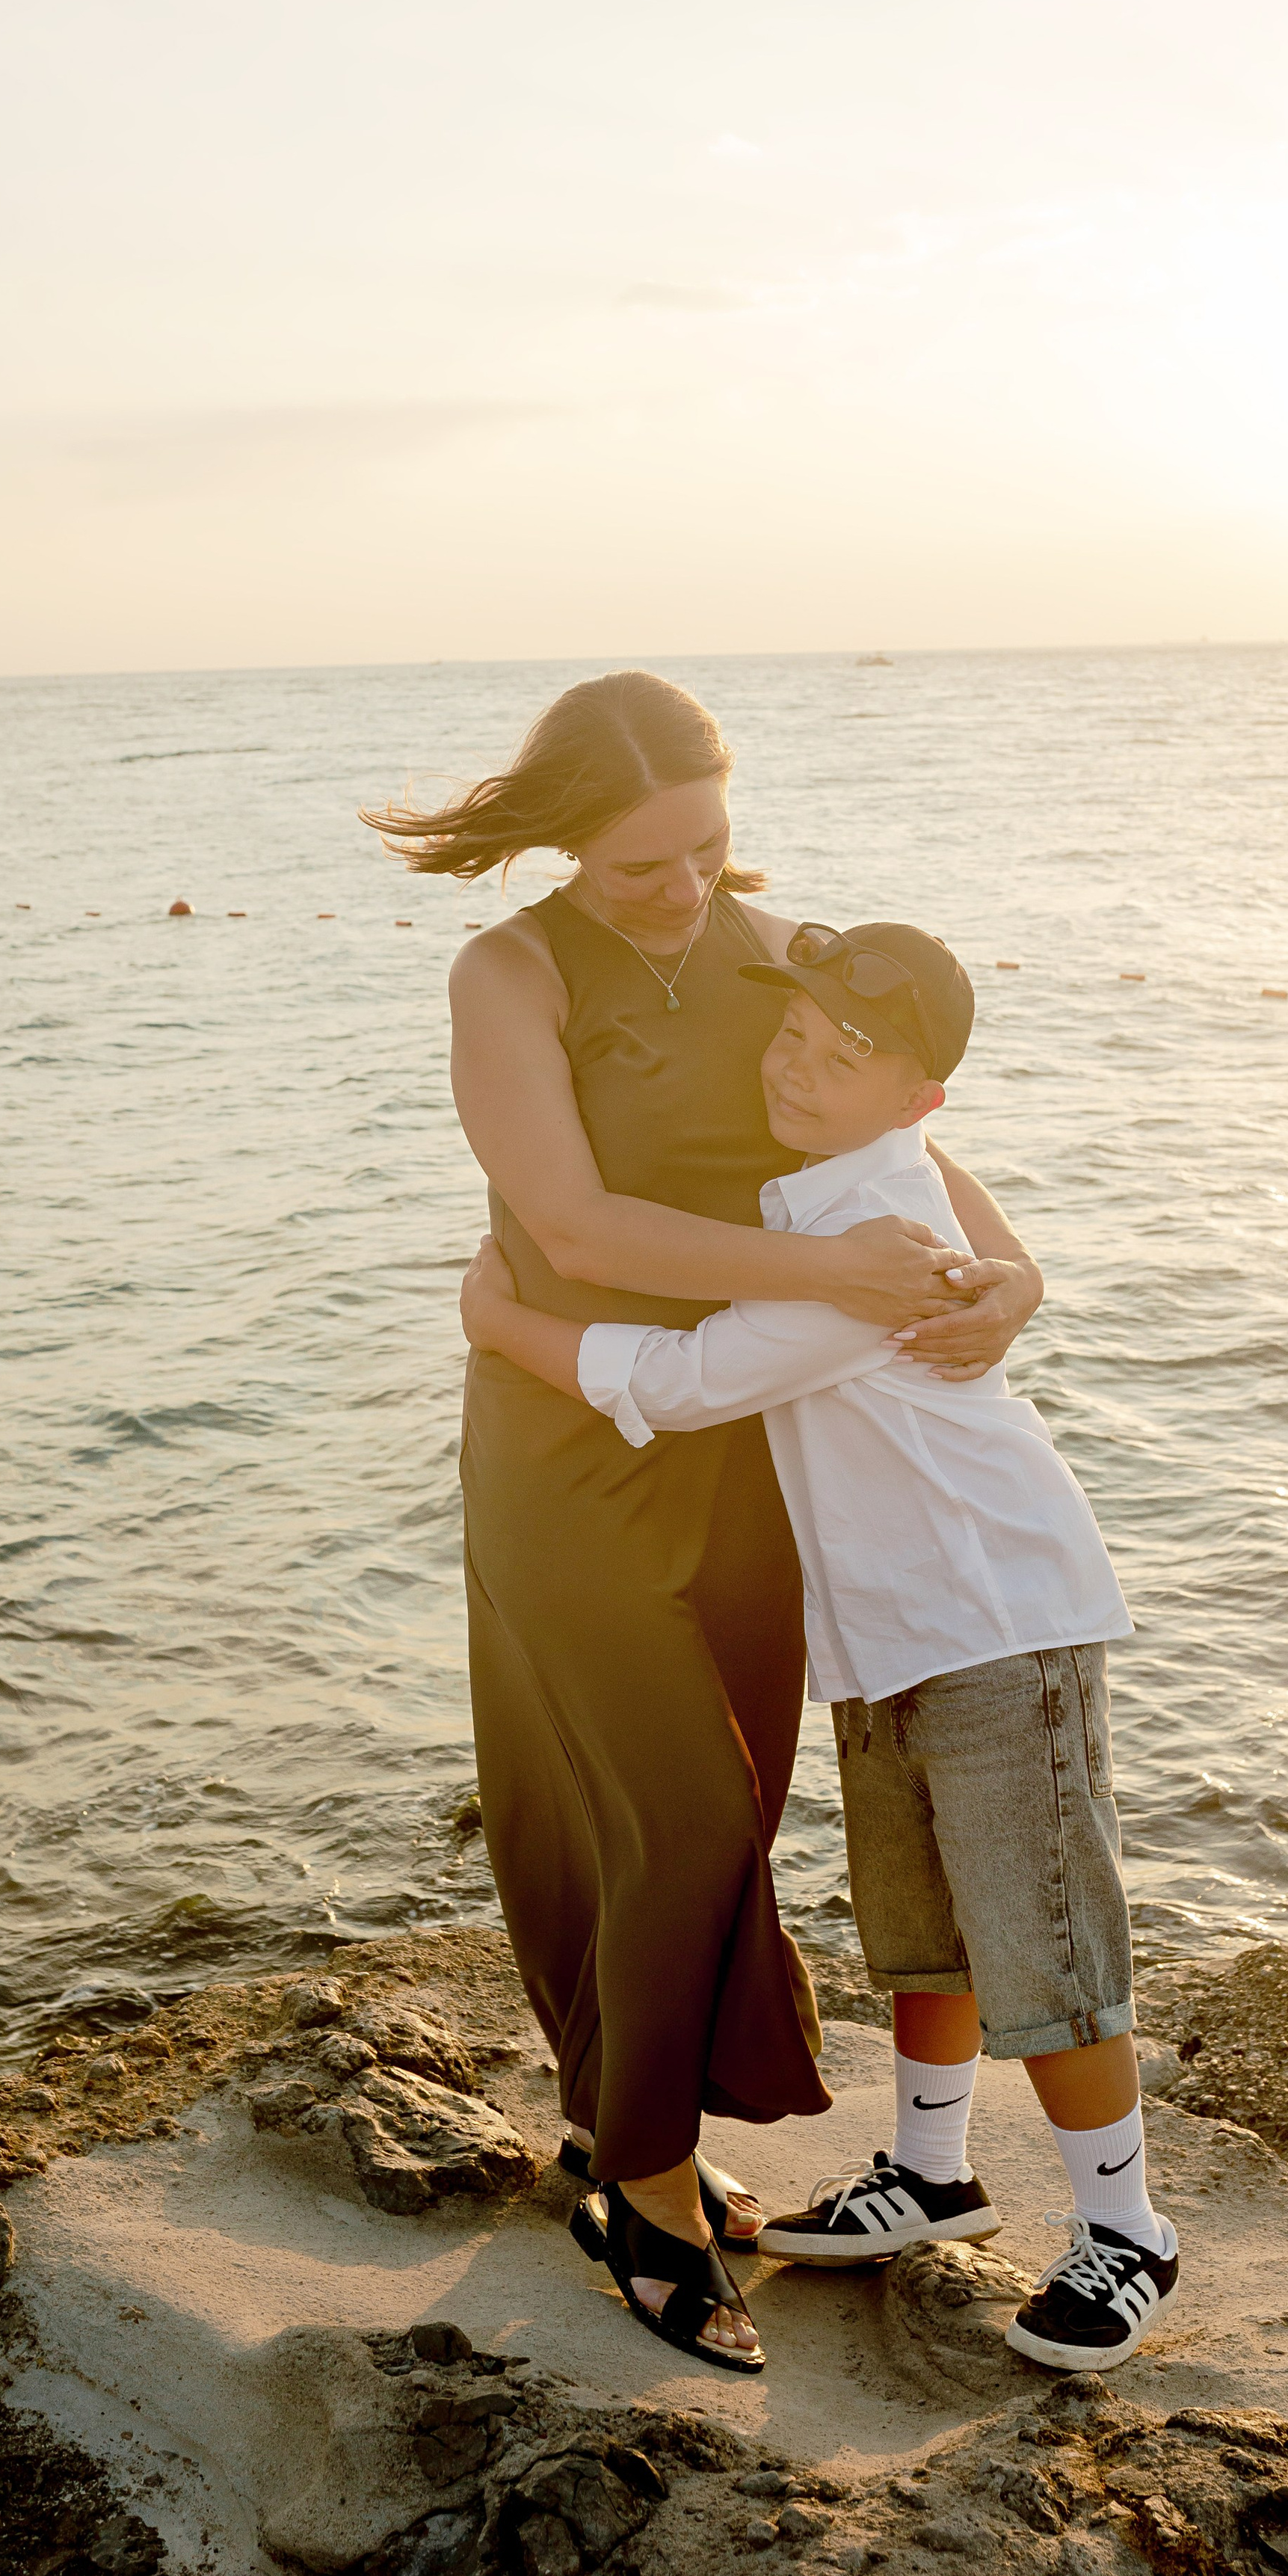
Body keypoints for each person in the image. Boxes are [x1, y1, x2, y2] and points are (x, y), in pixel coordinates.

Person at [362, 672, 1044, 2375]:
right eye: (637, 866)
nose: (680, 889)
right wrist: (824, 1273)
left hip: (747, 1447)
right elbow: (572, 1225)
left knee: (725, 1813)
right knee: (656, 1808)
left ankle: (623, 2125)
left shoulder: (783, 947)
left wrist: (1012, 1271)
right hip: (567, 1435)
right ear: (562, 842)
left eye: (705, 850)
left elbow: (902, 1127)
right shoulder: (509, 974)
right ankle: (646, 2195)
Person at [458, 915, 1177, 2373]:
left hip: (994, 1619)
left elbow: (682, 1380)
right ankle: (930, 2174)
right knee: (921, 1929)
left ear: (913, 1098)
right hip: (889, 1627)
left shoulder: (871, 1253)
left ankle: (1127, 2232)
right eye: (785, 1038)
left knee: (1042, 1941)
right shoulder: (825, 1195)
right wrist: (1019, 1269)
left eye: (837, 1061)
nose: (791, 1069)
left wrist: (497, 1323)